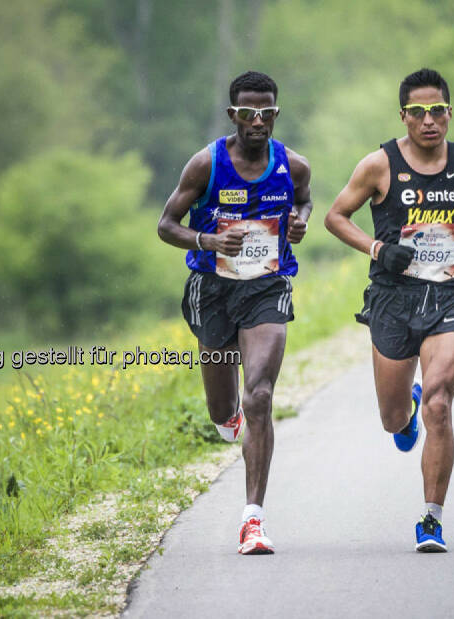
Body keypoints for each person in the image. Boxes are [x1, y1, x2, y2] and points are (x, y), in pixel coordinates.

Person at [324, 68, 454, 552]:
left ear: (450, 113)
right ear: (404, 116)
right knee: (392, 419)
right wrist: (378, 250)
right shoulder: (377, 166)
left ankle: (431, 519)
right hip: (392, 299)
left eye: (438, 110)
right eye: (419, 112)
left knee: (440, 404)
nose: (430, 121)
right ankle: (405, 414)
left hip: (450, 294)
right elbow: (335, 217)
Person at [158, 70, 312, 555]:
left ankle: (253, 521)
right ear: (233, 115)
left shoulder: (293, 165)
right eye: (248, 113)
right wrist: (208, 239)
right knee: (225, 413)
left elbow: (304, 202)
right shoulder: (206, 164)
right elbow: (166, 224)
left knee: (260, 395)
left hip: (266, 287)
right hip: (214, 291)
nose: (258, 121)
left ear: (275, 113)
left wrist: (300, 222)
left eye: (267, 112)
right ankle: (236, 428)